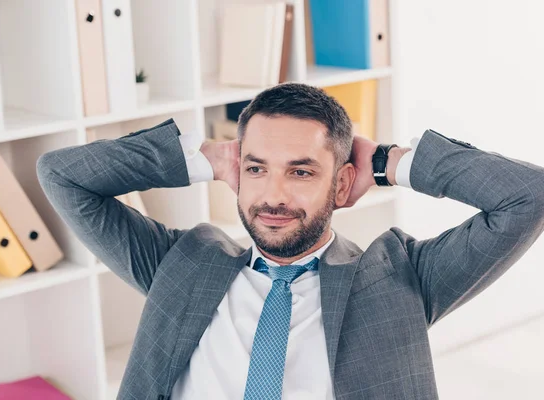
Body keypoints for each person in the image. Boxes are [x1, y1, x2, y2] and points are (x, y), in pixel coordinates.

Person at [37, 82, 544, 400]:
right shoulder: (182, 262)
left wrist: (393, 162)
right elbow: (62, 175)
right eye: (256, 168)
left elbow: (528, 196)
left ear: (342, 184)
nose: (272, 195)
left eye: (301, 172)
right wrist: (207, 158)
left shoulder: (399, 279)